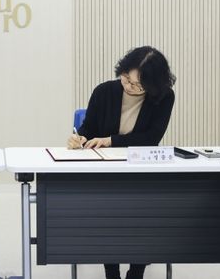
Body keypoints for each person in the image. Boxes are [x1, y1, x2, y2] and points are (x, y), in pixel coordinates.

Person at [67, 46, 176, 279]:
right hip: (106, 171)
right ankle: (112, 272)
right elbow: (88, 129)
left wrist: (110, 141)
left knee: (146, 216)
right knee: (108, 214)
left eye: (137, 85)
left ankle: (136, 272)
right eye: (126, 78)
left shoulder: (164, 97)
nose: (129, 86)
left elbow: (150, 139)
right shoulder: (104, 91)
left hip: (141, 171)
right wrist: (80, 138)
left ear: (153, 85)